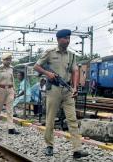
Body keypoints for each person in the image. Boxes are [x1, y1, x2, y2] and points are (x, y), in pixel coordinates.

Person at [33, 29, 89, 158]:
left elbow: (75, 71)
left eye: (69, 38)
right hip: (53, 90)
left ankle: (77, 149)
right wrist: (48, 73)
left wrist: (75, 87)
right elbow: (36, 66)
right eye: (65, 38)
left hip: (67, 90)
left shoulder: (71, 55)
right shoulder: (50, 53)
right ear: (58, 39)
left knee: (72, 119)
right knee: (51, 119)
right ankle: (49, 146)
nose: (68, 40)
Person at [0, 53, 20, 134]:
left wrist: (14, 90)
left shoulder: (11, 68)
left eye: (10, 60)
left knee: (10, 109)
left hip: (10, 89)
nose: (9, 61)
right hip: (1, 89)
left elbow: (13, 80)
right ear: (3, 60)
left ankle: (11, 128)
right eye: (7, 60)